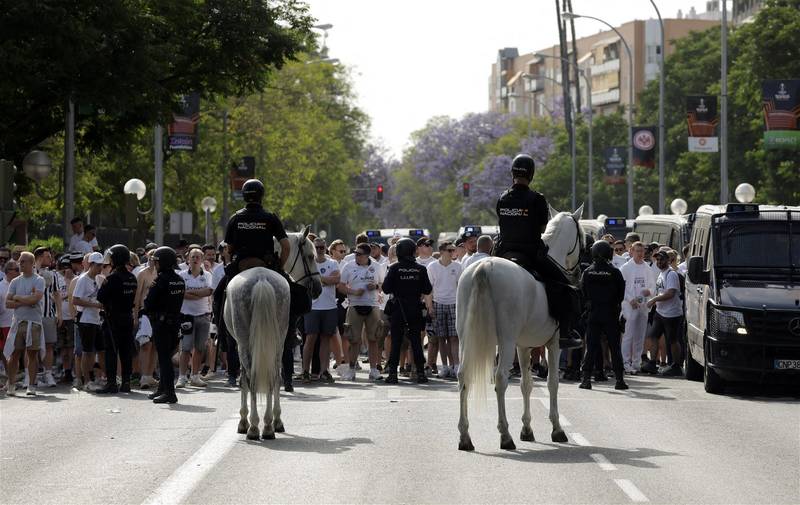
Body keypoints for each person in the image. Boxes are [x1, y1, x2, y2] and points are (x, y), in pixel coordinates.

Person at [215, 178, 303, 391]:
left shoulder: (236, 218)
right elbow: (285, 245)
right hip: (268, 265)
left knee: (219, 296)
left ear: (244, 196)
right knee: (295, 296)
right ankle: (293, 331)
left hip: (241, 267)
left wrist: (228, 261)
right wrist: (280, 267)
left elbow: (227, 247)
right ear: (262, 195)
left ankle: (222, 331)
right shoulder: (270, 217)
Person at [494, 153, 582, 349]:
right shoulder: (537, 199)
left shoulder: (502, 198)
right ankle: (566, 333)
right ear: (531, 174)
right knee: (567, 287)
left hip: (503, 251)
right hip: (531, 254)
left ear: (512, 173)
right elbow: (543, 229)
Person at [382, 238, 432, 384]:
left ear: (399, 251)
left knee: (396, 342)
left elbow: (385, 289)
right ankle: (420, 373)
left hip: (398, 309)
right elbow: (427, 289)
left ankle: (392, 374)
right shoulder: (421, 269)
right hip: (415, 308)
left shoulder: (394, 268)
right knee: (416, 341)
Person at [579, 241, 628, 390]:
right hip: (610, 314)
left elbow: (583, 292)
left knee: (591, 347)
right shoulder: (615, 272)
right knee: (614, 348)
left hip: (593, 314)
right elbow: (621, 295)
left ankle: (586, 380)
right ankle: (619, 380)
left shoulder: (587, 272)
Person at [144, 247, 186, 404]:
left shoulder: (160, 280)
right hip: (175, 323)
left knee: (164, 359)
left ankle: (169, 393)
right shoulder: (179, 280)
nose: (155, 264)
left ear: (162, 262)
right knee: (166, 358)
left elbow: (149, 303)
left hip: (161, 324)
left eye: (156, 261)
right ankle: (162, 389)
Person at [338, 243, 384, 381]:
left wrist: (375, 286)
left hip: (373, 305)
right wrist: (353, 292)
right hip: (354, 305)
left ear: (367, 255)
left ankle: (374, 370)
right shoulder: (348, 266)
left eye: (359, 254)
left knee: (374, 339)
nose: (356, 255)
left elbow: (383, 285)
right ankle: (351, 370)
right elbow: (340, 286)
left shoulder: (377, 266)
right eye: (355, 253)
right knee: (353, 339)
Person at [96, 245, 138, 393]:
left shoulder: (112, 278)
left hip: (113, 319)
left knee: (111, 351)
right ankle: (126, 382)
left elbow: (100, 297)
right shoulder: (132, 277)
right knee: (126, 351)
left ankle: (112, 383)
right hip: (127, 317)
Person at [4, 252, 45, 396]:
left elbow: (35, 300)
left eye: (23, 262)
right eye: (20, 262)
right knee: (14, 354)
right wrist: (26, 300)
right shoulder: (15, 282)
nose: (20, 264)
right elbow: (8, 304)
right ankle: (11, 385)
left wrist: (17, 298)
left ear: (31, 263)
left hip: (33, 323)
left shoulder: (39, 280)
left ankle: (31, 385)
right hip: (18, 323)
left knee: (32, 354)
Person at [301, 238, 340, 384]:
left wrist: (317, 278)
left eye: (322, 247)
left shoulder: (332, 263)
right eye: (316, 247)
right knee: (310, 339)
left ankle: (324, 370)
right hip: (313, 307)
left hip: (329, 306)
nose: (319, 250)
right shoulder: (309, 263)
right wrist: (325, 279)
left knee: (326, 339)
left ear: (326, 248)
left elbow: (336, 279)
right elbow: (307, 281)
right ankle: (305, 370)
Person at [176, 248, 214, 388]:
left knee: (199, 348)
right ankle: (181, 377)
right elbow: (180, 293)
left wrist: (190, 292)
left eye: (198, 257)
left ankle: (195, 376)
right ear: (188, 259)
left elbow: (209, 291)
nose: (195, 259)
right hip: (187, 316)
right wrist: (199, 293)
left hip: (203, 315)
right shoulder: (181, 275)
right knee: (185, 348)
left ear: (202, 259)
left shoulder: (208, 275)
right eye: (193, 257)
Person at [426, 241, 463, 378]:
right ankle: (445, 367)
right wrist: (430, 307)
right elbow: (428, 289)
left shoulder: (458, 266)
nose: (453, 252)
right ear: (442, 252)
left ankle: (456, 366)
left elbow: (461, 287)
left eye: (453, 250)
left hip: (454, 304)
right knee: (441, 338)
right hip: (438, 303)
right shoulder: (432, 266)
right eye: (450, 250)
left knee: (454, 337)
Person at [644, 250, 684, 377]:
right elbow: (661, 291)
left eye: (662, 259)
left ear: (668, 260)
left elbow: (671, 293)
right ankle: (652, 363)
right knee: (653, 336)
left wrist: (654, 300)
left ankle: (676, 366)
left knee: (672, 340)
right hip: (661, 312)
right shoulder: (661, 274)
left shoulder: (671, 274)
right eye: (657, 260)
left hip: (672, 314)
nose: (659, 262)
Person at [619, 242, 656, 374]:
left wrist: (649, 291)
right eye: (637, 251)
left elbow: (653, 286)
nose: (640, 253)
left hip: (643, 305)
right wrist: (630, 299)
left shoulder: (647, 268)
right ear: (631, 251)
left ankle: (636, 362)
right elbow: (621, 287)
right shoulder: (625, 268)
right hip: (630, 306)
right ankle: (625, 362)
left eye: (642, 251)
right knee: (628, 335)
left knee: (640, 335)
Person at [72, 252, 106, 390]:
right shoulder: (82, 279)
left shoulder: (99, 278)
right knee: (87, 351)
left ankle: (101, 377)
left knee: (101, 350)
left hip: (97, 319)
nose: (100, 268)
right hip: (86, 319)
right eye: (98, 265)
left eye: (102, 265)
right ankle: (87, 381)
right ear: (91, 264)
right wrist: (94, 304)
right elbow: (75, 300)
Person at [33, 247, 62, 388]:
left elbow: (56, 294)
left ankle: (48, 373)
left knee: (49, 345)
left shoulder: (53, 274)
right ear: (39, 257)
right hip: (33, 315)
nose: (51, 259)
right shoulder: (30, 272)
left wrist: (59, 313)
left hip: (48, 314)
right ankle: (35, 374)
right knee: (34, 346)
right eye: (47, 257)